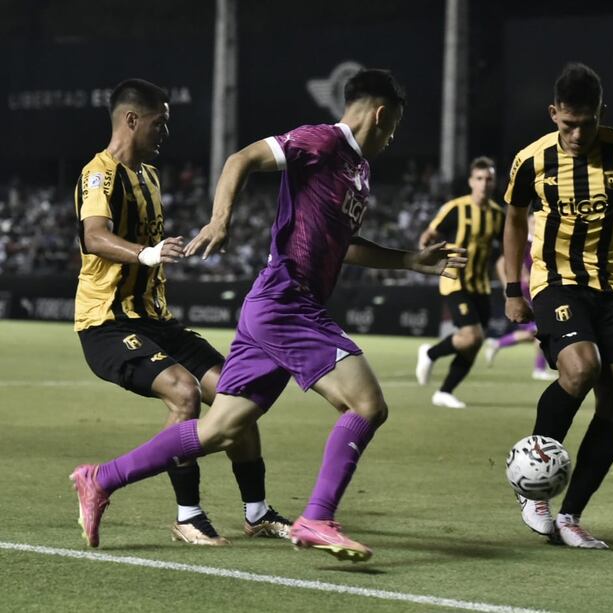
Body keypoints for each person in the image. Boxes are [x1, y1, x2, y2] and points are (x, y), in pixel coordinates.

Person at [70, 69, 466, 561]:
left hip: (277, 307)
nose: (392, 138)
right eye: (393, 128)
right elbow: (242, 158)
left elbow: (342, 246)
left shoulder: (357, 171)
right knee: (367, 404)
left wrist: (407, 260)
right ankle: (317, 517)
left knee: (220, 429)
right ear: (381, 114)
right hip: (286, 302)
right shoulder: (320, 142)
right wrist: (220, 219)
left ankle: (100, 478)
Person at [73, 78, 289, 547]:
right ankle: (188, 515)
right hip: (108, 324)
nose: (164, 133)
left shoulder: (149, 176)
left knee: (238, 394)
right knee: (183, 393)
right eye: (160, 123)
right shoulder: (99, 173)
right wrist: (147, 254)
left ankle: (256, 512)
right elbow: (93, 236)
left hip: (156, 321)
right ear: (132, 120)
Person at [503, 63, 613, 549]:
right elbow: (515, 219)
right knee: (581, 368)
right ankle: (532, 486)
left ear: (601, 113)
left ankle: (571, 515)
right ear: (553, 113)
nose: (576, 134)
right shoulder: (531, 160)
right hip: (555, 282)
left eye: (586, 123)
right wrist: (514, 290)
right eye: (567, 124)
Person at [415, 157, 505, 408]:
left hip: (481, 286)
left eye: (489, 179)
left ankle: (444, 392)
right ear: (470, 181)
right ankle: (430, 353)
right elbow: (429, 235)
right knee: (471, 336)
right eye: (479, 179)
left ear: (494, 183)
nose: (484, 184)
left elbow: (506, 252)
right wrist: (425, 250)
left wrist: (511, 285)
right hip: (455, 281)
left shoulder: (498, 215)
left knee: (473, 345)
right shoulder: (456, 208)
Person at [484, 215, 555, 381]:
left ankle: (498, 344)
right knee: (539, 331)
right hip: (525, 292)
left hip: (537, 289)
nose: (536, 224)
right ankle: (538, 369)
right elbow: (501, 263)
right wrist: (508, 286)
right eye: (532, 222)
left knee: (537, 332)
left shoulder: (540, 241)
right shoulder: (524, 241)